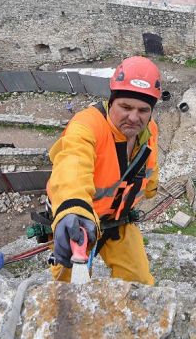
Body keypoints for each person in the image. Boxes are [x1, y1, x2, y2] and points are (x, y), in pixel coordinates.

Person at [46, 56, 161, 285]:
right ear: (111, 102)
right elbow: (72, 164)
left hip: (118, 220)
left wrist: (151, 189)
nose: (134, 117)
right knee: (67, 287)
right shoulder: (87, 125)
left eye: (143, 110)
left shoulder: (149, 130)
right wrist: (72, 207)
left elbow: (149, 165)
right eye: (125, 107)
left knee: (140, 283)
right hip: (79, 222)